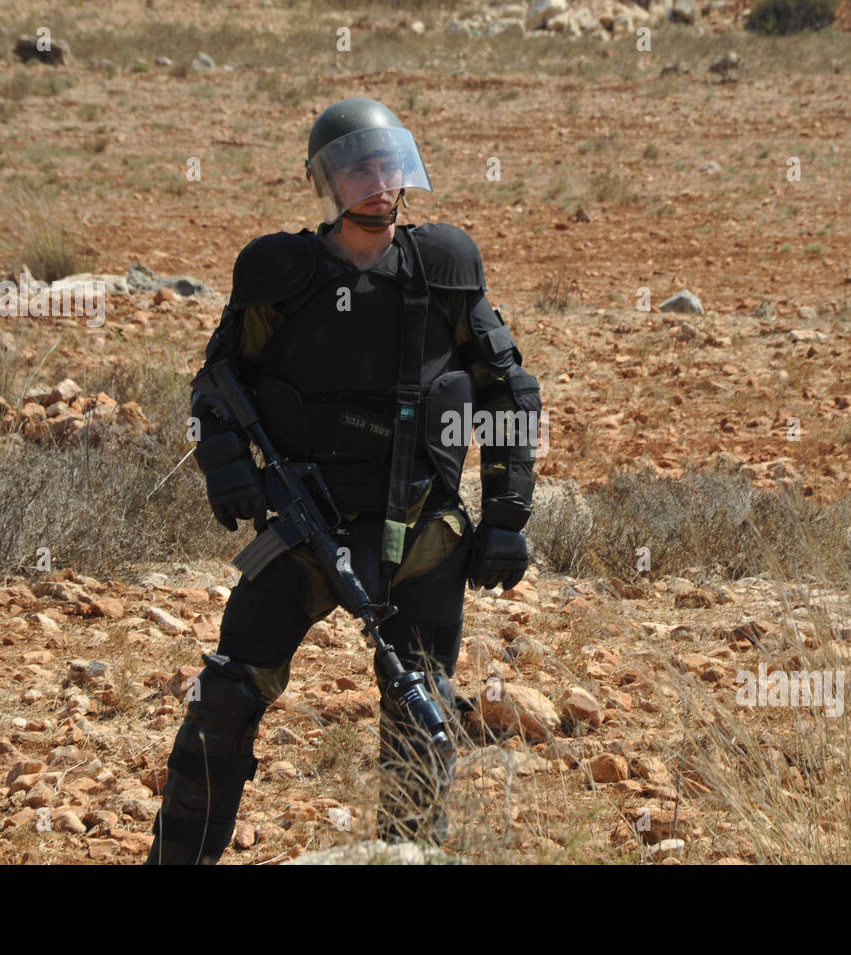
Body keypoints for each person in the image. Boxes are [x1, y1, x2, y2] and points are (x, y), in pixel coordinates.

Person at [145, 97, 541, 864]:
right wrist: (227, 471)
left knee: (418, 713)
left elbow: (507, 392)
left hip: (422, 535)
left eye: (387, 165)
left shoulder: (446, 265)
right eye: (358, 167)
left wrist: (506, 516)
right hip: (302, 537)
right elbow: (216, 385)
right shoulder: (279, 274)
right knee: (222, 701)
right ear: (327, 181)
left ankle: (409, 855)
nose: (377, 182)